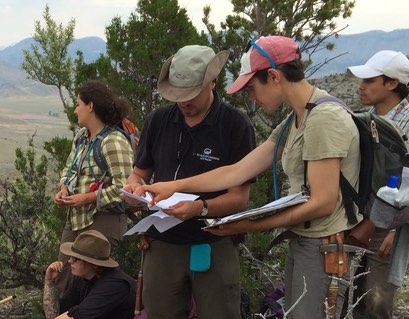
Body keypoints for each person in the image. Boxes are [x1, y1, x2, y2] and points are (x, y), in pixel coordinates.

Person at [141, 36, 362, 318]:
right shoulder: (295, 118)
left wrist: (251, 224)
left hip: (324, 247)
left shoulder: (323, 118)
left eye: (251, 87)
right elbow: (237, 171)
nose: (251, 96)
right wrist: (173, 186)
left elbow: (323, 202)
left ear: (273, 76)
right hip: (305, 242)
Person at [121, 45, 256, 318]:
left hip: (214, 241)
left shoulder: (235, 126)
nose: (184, 102)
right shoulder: (158, 120)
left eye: (192, 94)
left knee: (220, 312)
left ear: (213, 82)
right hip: (162, 243)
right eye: (178, 95)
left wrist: (200, 208)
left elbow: (239, 197)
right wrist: (133, 188)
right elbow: (140, 173)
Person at [349, 50, 409, 319]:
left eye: (369, 81)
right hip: (358, 219)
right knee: (350, 296)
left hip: (389, 226)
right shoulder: (366, 119)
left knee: (376, 302)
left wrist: (396, 229)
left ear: (391, 84)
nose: (361, 86)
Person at [53, 80, 133, 288]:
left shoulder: (113, 141)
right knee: (63, 280)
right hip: (76, 219)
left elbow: (126, 189)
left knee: (90, 283)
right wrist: (64, 188)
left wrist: (88, 198)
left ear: (91, 106)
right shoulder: (81, 138)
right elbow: (68, 169)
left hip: (103, 220)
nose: (75, 109)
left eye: (78, 103)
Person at [43, 230, 136, 319]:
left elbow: (79, 316)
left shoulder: (113, 285)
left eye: (76, 258)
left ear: (93, 263)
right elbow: (55, 314)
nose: (70, 261)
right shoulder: (83, 278)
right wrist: (49, 282)